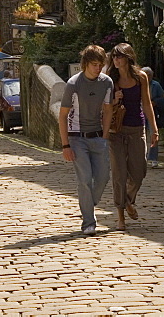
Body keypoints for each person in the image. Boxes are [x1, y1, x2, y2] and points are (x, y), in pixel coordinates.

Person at [59, 45, 114, 235]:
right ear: (85, 64)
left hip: (98, 137)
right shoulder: (73, 84)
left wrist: (105, 136)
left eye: (100, 65)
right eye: (94, 65)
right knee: (84, 179)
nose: (97, 69)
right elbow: (63, 115)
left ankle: (88, 204)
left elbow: (108, 110)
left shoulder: (106, 82)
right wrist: (65, 144)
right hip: (77, 139)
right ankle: (88, 222)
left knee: (103, 177)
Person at [105, 43, 158, 231]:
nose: (116, 60)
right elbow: (102, 107)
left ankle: (127, 201)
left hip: (137, 129)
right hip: (115, 132)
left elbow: (147, 103)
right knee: (119, 173)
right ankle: (120, 216)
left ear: (128, 58)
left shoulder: (140, 77)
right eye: (114, 57)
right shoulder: (110, 79)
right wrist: (113, 99)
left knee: (139, 172)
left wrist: (154, 128)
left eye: (119, 57)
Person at [142, 67, 164, 167]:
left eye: (149, 75)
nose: (148, 77)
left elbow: (163, 99)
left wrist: (155, 102)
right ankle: (142, 157)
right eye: (146, 75)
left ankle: (153, 158)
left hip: (151, 112)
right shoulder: (137, 83)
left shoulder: (155, 85)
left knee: (153, 134)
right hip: (139, 112)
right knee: (141, 136)